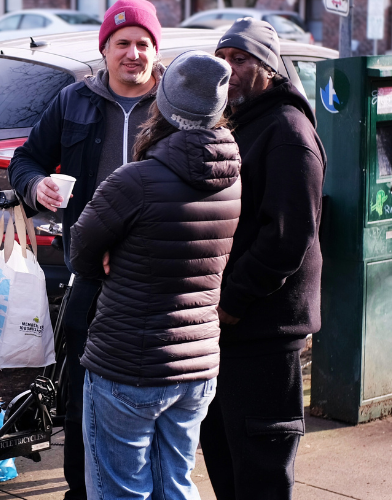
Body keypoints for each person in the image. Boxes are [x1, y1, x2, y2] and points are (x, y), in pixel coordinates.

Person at [6, 1, 163, 497]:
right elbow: (25, 161)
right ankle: (80, 488)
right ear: (105, 49)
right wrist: (36, 187)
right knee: (82, 392)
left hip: (157, 278)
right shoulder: (73, 101)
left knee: (151, 395)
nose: (133, 54)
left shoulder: (173, 106)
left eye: (143, 44)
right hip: (89, 272)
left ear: (156, 51)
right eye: (123, 43)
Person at [69, 50, 240, 500]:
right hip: (197, 364)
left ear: (161, 106)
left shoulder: (135, 181)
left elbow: (80, 252)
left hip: (130, 364)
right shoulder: (231, 179)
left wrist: (109, 256)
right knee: (176, 485)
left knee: (121, 491)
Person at [199, 19, 326, 500]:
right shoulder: (238, 121)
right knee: (224, 455)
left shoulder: (288, 132)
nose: (227, 69)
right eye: (221, 59)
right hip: (227, 327)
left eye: (240, 59)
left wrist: (233, 299)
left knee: (261, 466)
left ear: (269, 68)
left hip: (264, 328)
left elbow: (287, 238)